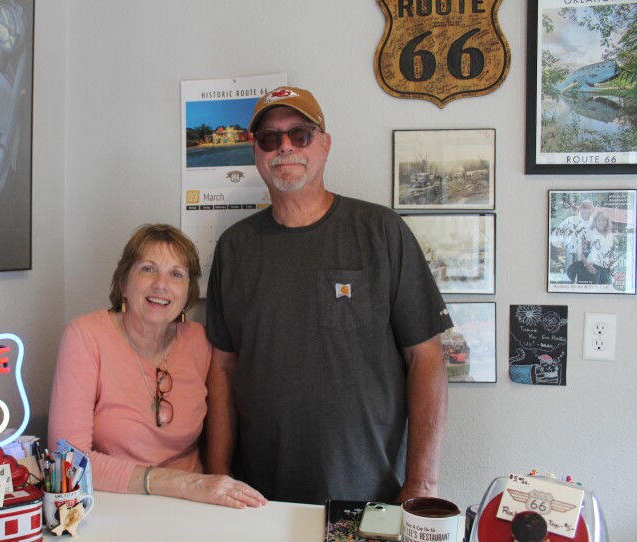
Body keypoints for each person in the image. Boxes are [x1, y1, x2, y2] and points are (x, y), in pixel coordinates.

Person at [204, 86, 454, 505]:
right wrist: (217, 475)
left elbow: (426, 357)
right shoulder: (234, 248)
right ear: (256, 151)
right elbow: (223, 369)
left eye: (299, 134)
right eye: (269, 137)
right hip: (256, 498)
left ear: (325, 143)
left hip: (367, 494)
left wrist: (422, 484)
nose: (284, 146)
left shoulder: (381, 232)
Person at [48, 224, 267, 509]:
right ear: (123, 283)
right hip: (115, 502)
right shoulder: (85, 336)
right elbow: (67, 459)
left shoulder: (201, 341)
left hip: (193, 506)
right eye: (148, 269)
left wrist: (209, 483)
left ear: (188, 292)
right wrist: (182, 484)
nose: (161, 284)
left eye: (176, 274)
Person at [550, 199, 594, 282]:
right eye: (584, 208)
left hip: (589, 258)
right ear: (580, 209)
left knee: (585, 282)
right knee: (567, 281)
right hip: (571, 256)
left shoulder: (595, 223)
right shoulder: (570, 221)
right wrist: (561, 251)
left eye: (589, 208)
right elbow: (555, 236)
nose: (586, 210)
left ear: (593, 210)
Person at [575, 210, 615, 285]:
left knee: (608, 291)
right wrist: (587, 264)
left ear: (607, 222)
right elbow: (580, 251)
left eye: (603, 220)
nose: (601, 222)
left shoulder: (610, 235)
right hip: (593, 268)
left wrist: (610, 266)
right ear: (595, 221)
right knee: (594, 293)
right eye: (599, 220)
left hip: (606, 269)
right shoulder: (590, 233)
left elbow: (609, 252)